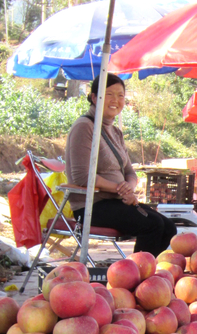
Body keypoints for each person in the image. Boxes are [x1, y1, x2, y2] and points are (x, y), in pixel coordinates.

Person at [65, 74, 177, 257]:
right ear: (94, 97)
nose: (115, 100)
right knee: (153, 225)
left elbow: (130, 172)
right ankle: (138, 276)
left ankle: (145, 274)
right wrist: (119, 188)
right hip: (92, 206)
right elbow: (82, 176)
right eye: (109, 94)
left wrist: (128, 188)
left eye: (120, 95)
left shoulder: (115, 132)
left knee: (169, 227)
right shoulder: (84, 127)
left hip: (117, 201)